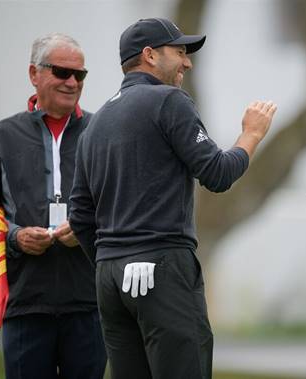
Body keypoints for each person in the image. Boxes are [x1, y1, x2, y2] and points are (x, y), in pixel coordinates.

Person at [68, 17, 277, 379]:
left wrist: (111, 260)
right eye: (179, 52)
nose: (187, 61)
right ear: (149, 55)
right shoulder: (169, 101)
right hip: (160, 270)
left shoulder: (94, 123)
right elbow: (218, 174)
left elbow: (80, 215)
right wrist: (252, 135)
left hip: (110, 280)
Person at [0, 33, 106, 379]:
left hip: (90, 305)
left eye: (80, 75)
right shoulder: (1, 136)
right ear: (34, 74)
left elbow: (126, 210)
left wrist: (86, 228)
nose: (72, 82)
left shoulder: (102, 132)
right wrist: (14, 236)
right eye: (61, 72)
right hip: (25, 305)